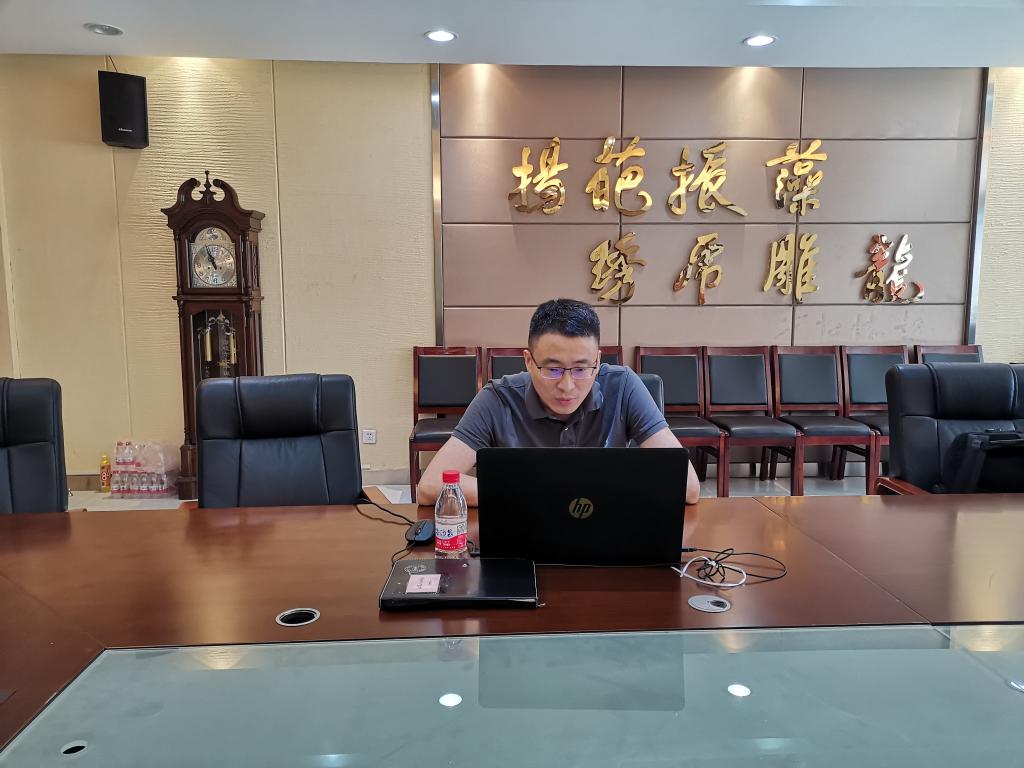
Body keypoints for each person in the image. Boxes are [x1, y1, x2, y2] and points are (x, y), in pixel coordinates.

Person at [416, 298, 701, 506]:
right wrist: (544, 494)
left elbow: (687, 486)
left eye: (580, 369)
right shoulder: (498, 398)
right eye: (552, 369)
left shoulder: (624, 386)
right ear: (529, 361)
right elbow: (430, 485)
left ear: (597, 361)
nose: (567, 386)